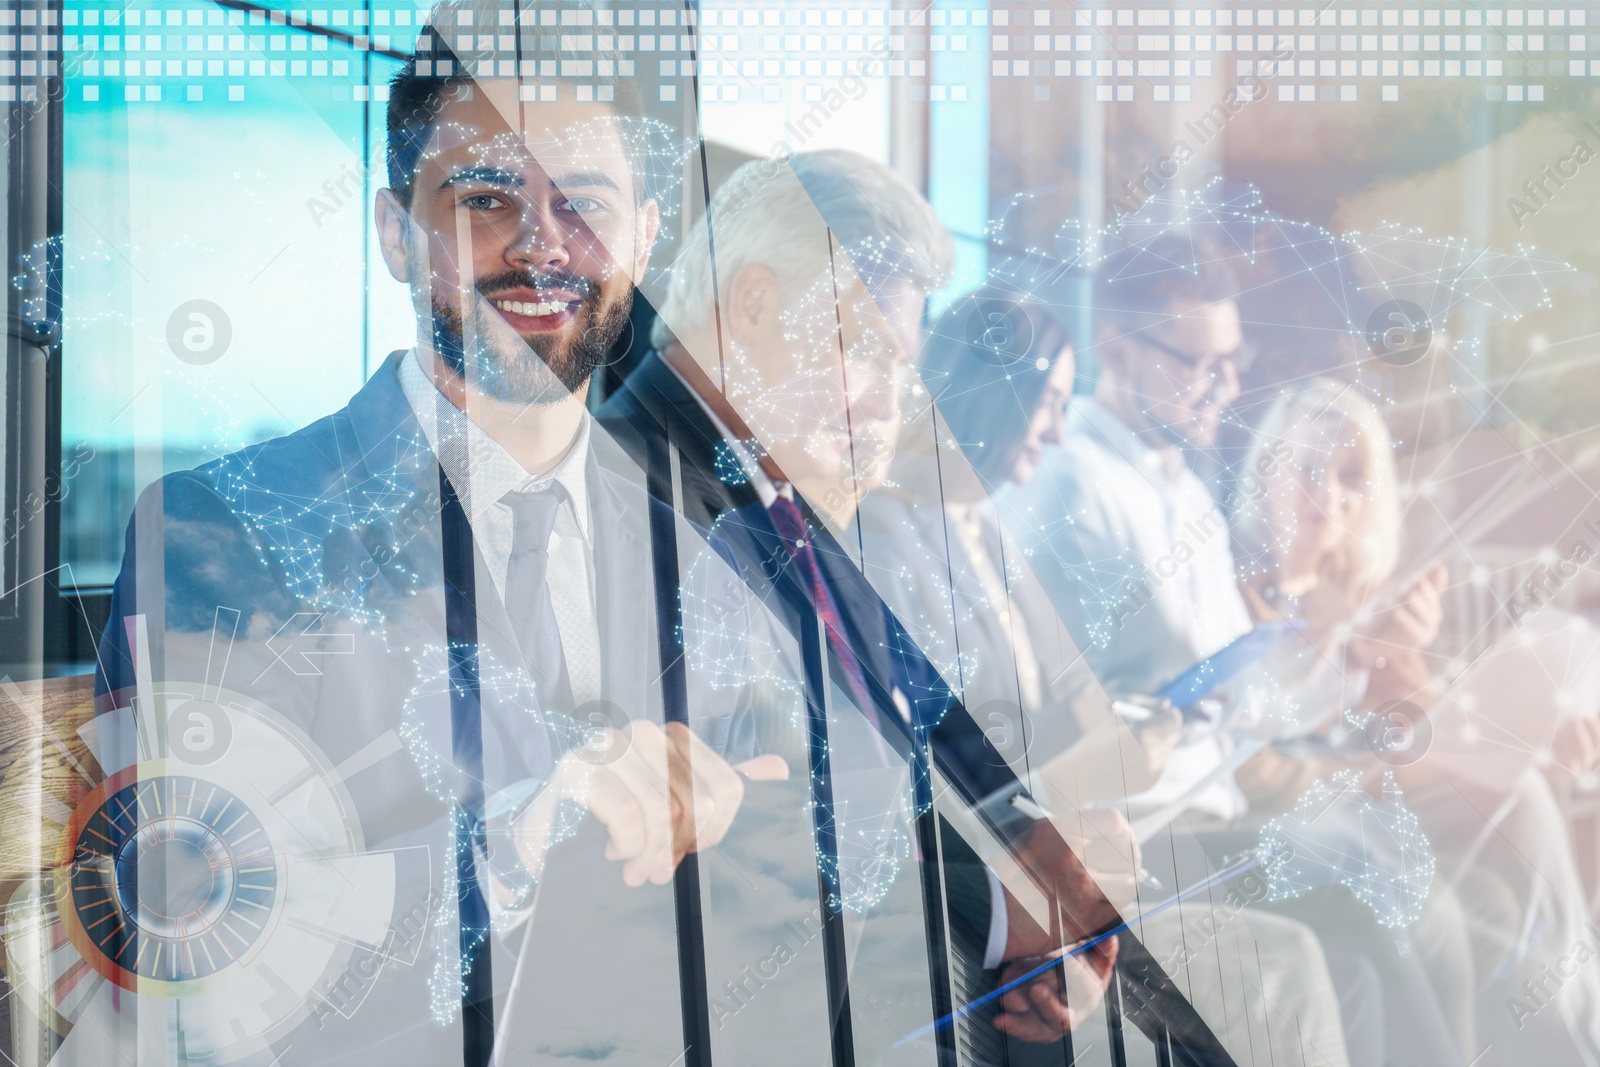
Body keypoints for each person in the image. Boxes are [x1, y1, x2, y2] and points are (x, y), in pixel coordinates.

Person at [80, 7, 796, 1063]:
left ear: (645, 239)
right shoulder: (217, 530)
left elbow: (783, 869)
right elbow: (168, 924)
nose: (542, 241)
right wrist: (514, 839)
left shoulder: (699, 560)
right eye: (485, 198)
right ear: (393, 232)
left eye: (583, 204)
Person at [601, 153, 1157, 1055]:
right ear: (748, 309)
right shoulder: (633, 490)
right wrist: (1002, 905)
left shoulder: (779, 493)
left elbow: (923, 743)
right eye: (856, 348)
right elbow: (740, 826)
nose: (883, 401)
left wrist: (1054, 860)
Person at [1232, 378, 1600, 1066]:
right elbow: (1287, 755)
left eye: (1349, 477)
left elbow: (1402, 736)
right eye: (1308, 469)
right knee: (1519, 804)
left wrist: (1405, 671)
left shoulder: (1355, 597)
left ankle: (1568, 1022)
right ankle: (1573, 1034)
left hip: (1377, 792)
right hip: (1323, 805)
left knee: (1519, 820)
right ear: (1266, 468)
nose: (1330, 495)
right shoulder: (1239, 596)